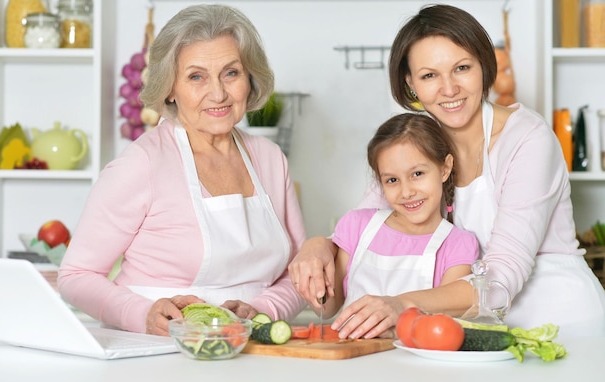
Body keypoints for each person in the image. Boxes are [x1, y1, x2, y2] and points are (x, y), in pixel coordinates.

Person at [289, 4, 605, 340]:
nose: (449, 88)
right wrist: (318, 245)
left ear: (484, 66)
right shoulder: (417, 147)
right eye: (429, 76)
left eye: (462, 68)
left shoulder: (528, 139)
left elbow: (498, 279)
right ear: (410, 84)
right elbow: (368, 223)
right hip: (475, 332)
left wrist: (400, 304)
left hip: (561, 326)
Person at [58, 4, 306, 336]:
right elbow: (75, 275)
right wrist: (142, 314)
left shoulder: (271, 158)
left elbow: (300, 274)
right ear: (170, 88)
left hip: (252, 346)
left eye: (231, 73)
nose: (218, 93)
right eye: (196, 76)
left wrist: (262, 310)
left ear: (250, 78)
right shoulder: (141, 164)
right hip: (156, 350)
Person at [310, 113, 478, 337]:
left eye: (417, 174)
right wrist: (314, 284)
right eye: (392, 180)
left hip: (417, 362)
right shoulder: (357, 225)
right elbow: (329, 307)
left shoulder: (458, 244)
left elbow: (445, 325)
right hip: (352, 358)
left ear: (445, 168)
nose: (406, 192)